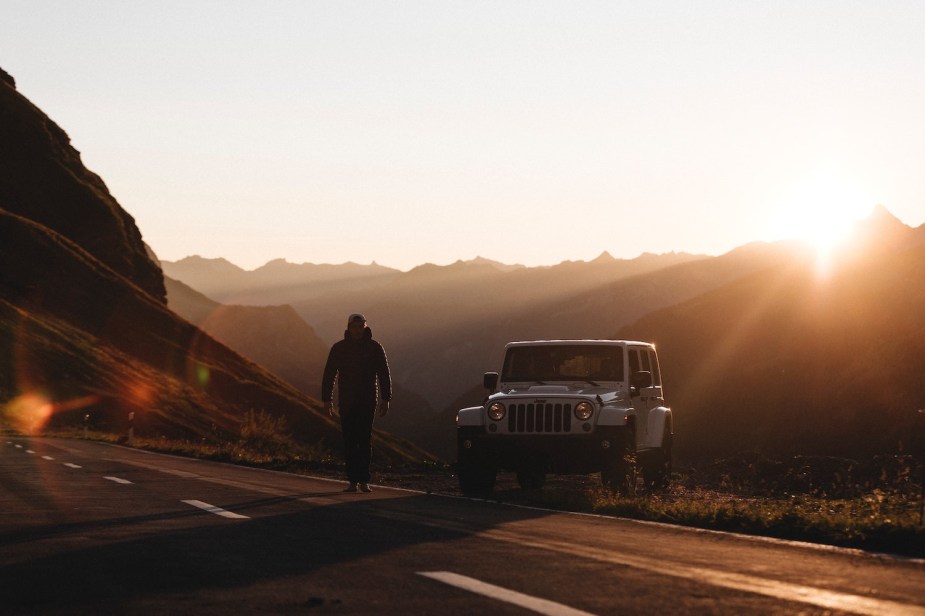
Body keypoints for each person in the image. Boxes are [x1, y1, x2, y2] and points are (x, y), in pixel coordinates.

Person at [321, 313, 391, 493]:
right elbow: (329, 374)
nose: (358, 330)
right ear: (349, 328)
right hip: (346, 401)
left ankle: (364, 480)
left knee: (365, 439)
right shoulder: (339, 348)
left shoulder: (375, 348)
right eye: (354, 327)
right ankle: (353, 481)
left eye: (361, 327)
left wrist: (386, 398)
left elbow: (384, 373)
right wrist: (326, 399)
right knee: (350, 440)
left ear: (365, 328)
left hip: (367, 400)